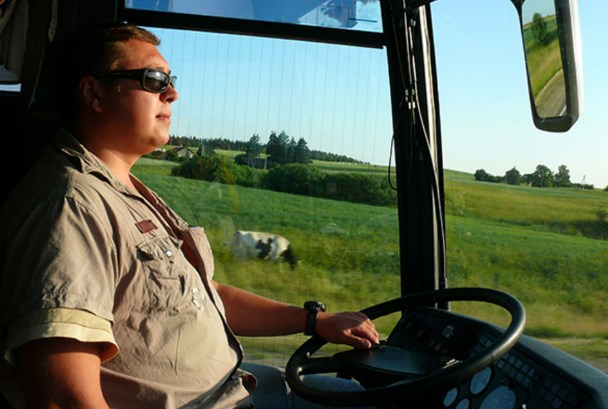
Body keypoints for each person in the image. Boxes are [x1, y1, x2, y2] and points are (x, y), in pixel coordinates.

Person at [0, 23, 379, 408]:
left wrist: (313, 321)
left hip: (233, 387)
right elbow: (62, 398)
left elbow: (204, 295)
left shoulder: (125, 190)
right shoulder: (70, 207)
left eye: (170, 79)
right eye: (153, 79)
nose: (172, 93)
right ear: (92, 92)